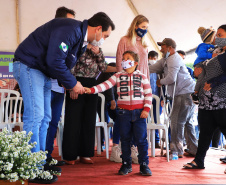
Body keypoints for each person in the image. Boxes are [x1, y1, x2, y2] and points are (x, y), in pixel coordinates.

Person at [13, 12, 115, 184]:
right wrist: (73, 83)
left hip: (43, 72)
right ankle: (31, 168)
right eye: (105, 35)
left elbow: (63, 63)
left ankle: (40, 162)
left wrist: (68, 82)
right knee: (35, 116)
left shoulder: (81, 42)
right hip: (29, 66)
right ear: (98, 29)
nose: (103, 39)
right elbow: (55, 60)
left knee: (45, 118)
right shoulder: (71, 29)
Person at [85, 50, 152, 176]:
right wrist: (92, 90)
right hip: (123, 113)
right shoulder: (118, 75)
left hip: (139, 114)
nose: (124, 60)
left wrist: (146, 109)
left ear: (135, 62)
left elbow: (148, 94)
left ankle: (144, 165)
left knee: (141, 140)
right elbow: (105, 85)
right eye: (123, 58)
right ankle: (126, 164)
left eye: (127, 58)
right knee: (125, 139)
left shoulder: (142, 77)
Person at [62, 40, 116, 165]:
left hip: (92, 85)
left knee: (89, 120)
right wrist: (71, 85)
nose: (101, 39)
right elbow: (69, 66)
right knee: (73, 119)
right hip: (76, 82)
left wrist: (98, 54)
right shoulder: (78, 47)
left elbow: (103, 68)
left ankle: (85, 154)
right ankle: (70, 155)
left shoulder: (98, 50)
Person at [183, 24, 226, 170]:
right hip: (206, 101)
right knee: (205, 132)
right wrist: (198, 69)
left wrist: (214, 82)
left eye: (220, 35)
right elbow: (203, 68)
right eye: (217, 35)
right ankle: (198, 160)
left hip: (222, 101)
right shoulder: (214, 52)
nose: (217, 38)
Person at [149, 38, 197, 159]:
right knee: (186, 122)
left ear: (170, 47)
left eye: (163, 47)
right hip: (188, 92)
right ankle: (193, 148)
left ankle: (176, 150)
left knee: (176, 121)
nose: (161, 49)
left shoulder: (174, 59)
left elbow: (171, 79)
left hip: (184, 93)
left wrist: (160, 81)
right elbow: (152, 68)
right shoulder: (166, 59)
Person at [114, 14, 149, 163]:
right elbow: (118, 63)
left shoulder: (145, 43)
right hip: (125, 84)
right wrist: (119, 82)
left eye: (147, 27)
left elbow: (146, 66)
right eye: (143, 27)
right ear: (135, 26)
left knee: (138, 118)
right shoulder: (124, 40)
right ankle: (116, 147)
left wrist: (147, 85)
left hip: (140, 85)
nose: (145, 30)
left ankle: (133, 149)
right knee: (122, 118)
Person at [45, 6, 75, 167]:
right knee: (42, 121)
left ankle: (48, 156)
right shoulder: (47, 35)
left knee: (53, 123)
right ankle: (38, 159)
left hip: (59, 89)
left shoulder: (68, 41)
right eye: (69, 22)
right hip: (45, 86)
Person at [148, 50, 161, 148]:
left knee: (156, 119)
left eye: (154, 59)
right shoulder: (144, 68)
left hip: (157, 97)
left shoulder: (159, 69)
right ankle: (145, 140)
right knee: (145, 119)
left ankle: (156, 141)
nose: (152, 60)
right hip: (146, 97)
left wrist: (162, 98)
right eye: (151, 58)